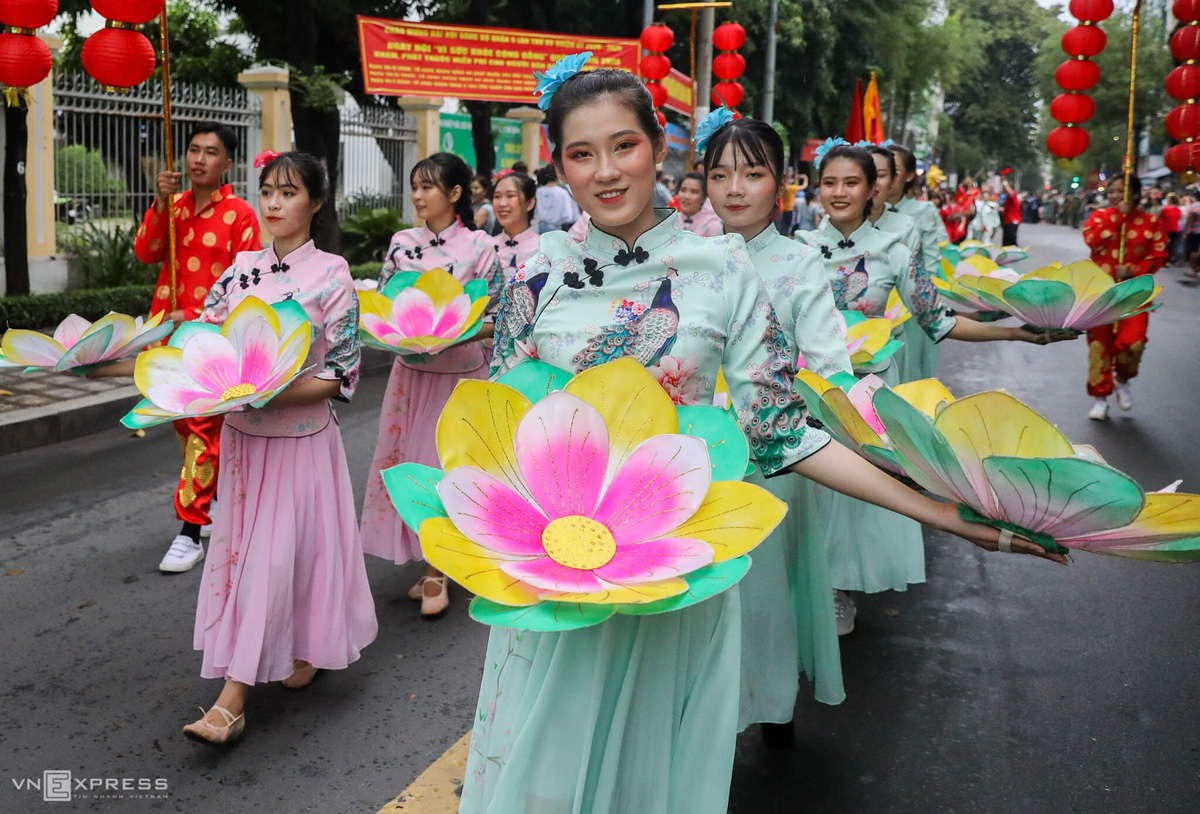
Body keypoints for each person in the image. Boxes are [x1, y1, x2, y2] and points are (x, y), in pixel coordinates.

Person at [463, 55, 1063, 814]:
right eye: (581, 154)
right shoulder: (528, 274)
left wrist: (947, 513)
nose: (606, 171)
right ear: (558, 165)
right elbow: (499, 431)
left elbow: (780, 434)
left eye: (625, 146)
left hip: (683, 564)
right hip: (557, 575)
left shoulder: (722, 272)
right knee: (543, 779)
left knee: (655, 779)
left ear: (660, 148)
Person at [92, 152, 378, 744]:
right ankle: (300, 647)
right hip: (245, 444)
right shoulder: (240, 270)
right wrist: (113, 364)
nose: (274, 203)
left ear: (315, 203)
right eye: (267, 191)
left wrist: (271, 393)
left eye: (289, 192)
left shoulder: (333, 275)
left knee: (278, 557)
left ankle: (231, 700)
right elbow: (202, 344)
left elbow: (342, 375)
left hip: (300, 444)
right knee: (253, 558)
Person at [796, 143, 1073, 631]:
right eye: (830, 182)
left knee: (854, 498)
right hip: (806, 386)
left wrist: (1018, 331)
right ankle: (802, 586)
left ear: (871, 189)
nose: (839, 192)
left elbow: (938, 320)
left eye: (852, 182)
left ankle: (836, 587)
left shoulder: (895, 252)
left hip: (865, 390)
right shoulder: (793, 248)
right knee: (807, 492)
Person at [703, 115, 849, 744]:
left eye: (753, 172)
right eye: (719, 173)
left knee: (760, 597)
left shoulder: (800, 264)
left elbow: (829, 367)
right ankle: (699, 720)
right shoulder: (683, 256)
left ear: (782, 184)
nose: (735, 187)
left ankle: (769, 704)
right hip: (692, 451)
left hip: (770, 460)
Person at [360, 153, 503, 617]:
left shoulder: (481, 248)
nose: (418, 196)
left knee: (446, 466)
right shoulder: (402, 244)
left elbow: (498, 319)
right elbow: (383, 307)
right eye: (414, 186)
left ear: (455, 194)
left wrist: (454, 332)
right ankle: (434, 561)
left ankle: (437, 570)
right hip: (412, 377)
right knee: (409, 467)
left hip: (459, 376)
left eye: (428, 187)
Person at [133, 122, 262, 574]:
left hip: (212, 341)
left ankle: (189, 532)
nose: (198, 159)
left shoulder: (241, 215)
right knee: (186, 428)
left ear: (227, 164)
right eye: (193, 150)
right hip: (166, 338)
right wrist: (161, 201)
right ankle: (215, 499)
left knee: (203, 432)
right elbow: (145, 251)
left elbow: (248, 286)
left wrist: (193, 315)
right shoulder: (175, 207)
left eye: (210, 152)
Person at [1081, 174, 1168, 420]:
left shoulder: (1151, 221)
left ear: (1137, 195)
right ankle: (1099, 398)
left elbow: (1160, 255)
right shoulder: (1099, 217)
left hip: (1135, 295)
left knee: (1134, 342)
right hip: (1100, 293)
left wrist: (1132, 270)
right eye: (1112, 191)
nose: (1115, 195)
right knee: (1099, 347)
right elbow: (1092, 240)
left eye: (1122, 191)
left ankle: (1122, 379)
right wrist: (1118, 216)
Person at [886, 143, 950, 381]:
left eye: (895, 169)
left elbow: (932, 262)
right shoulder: (864, 211)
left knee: (908, 374)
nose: (888, 176)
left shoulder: (924, 211)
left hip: (910, 306)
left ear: (910, 175)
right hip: (872, 304)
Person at [490, 169, 540, 273]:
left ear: (529, 203)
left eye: (510, 196)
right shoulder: (486, 247)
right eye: (497, 197)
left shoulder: (544, 250)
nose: (502, 203)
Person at [534, 164, 581, 233]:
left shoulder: (538, 191)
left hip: (539, 227)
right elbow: (568, 216)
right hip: (556, 228)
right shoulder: (562, 193)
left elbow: (534, 211)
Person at [674, 171, 723, 236]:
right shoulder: (671, 221)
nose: (686, 196)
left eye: (694, 192)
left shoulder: (712, 225)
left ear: (704, 197)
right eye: (683, 190)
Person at [1161, 194, 1183, 266]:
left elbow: (1160, 218)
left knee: (1165, 245)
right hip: (1176, 229)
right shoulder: (1178, 210)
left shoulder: (1166, 209)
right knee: (1173, 245)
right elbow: (1179, 218)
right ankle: (1170, 259)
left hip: (1166, 229)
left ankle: (1164, 260)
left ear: (1170, 201)